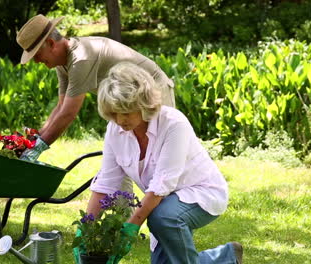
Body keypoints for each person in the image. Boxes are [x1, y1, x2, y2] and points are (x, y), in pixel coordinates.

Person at [77, 62, 243, 263]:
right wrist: (85, 229)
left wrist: (131, 227)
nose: (120, 120)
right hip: (162, 203)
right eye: (113, 113)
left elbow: (161, 185)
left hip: (200, 194)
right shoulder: (115, 130)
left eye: (126, 112)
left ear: (142, 104)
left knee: (163, 218)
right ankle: (226, 256)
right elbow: (106, 182)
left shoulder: (173, 124)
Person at [15, 14, 175, 163]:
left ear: (51, 44)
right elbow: (60, 107)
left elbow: (68, 113)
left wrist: (38, 148)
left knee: (159, 154)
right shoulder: (62, 64)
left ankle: (175, 193)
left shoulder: (80, 59)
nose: (35, 61)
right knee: (121, 156)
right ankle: (118, 194)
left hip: (153, 90)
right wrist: (35, 139)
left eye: (36, 54)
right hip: (126, 103)